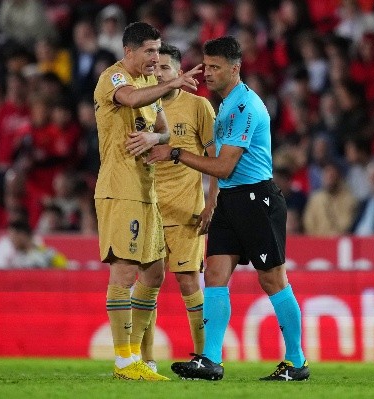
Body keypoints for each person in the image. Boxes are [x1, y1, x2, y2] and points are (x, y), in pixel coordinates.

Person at [147, 36, 309, 381]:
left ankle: (296, 362)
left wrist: (176, 153)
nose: (208, 74)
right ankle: (210, 359)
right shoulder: (225, 104)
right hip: (231, 201)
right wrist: (213, 202)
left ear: (235, 69)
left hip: (256, 199)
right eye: (206, 66)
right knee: (215, 275)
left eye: (216, 68)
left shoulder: (243, 107)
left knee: (273, 279)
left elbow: (224, 168)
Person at [93, 21, 201, 381]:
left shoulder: (146, 83)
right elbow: (130, 101)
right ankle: (125, 361)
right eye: (150, 51)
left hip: (146, 190)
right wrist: (169, 83)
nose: (156, 57)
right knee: (124, 270)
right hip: (120, 187)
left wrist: (155, 139)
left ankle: (140, 354)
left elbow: (165, 129)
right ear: (129, 52)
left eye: (158, 51)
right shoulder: (115, 78)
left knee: (154, 273)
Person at [139, 43, 218, 372]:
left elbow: (217, 160)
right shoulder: (141, 107)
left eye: (166, 68)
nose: (159, 73)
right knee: (147, 282)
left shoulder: (199, 107)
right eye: (155, 68)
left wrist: (212, 203)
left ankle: (203, 356)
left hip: (187, 211)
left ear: (179, 73)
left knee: (188, 281)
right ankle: (143, 361)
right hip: (148, 208)